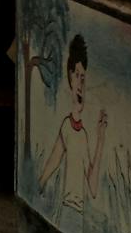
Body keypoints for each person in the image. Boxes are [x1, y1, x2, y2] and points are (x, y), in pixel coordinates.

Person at [38, 35, 109, 212]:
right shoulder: (66, 126)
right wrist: (38, 187)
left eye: (83, 77)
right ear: (70, 78)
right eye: (77, 76)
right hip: (67, 209)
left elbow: (92, 188)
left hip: (80, 215)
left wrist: (101, 139)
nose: (80, 84)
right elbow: (53, 162)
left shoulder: (83, 134)